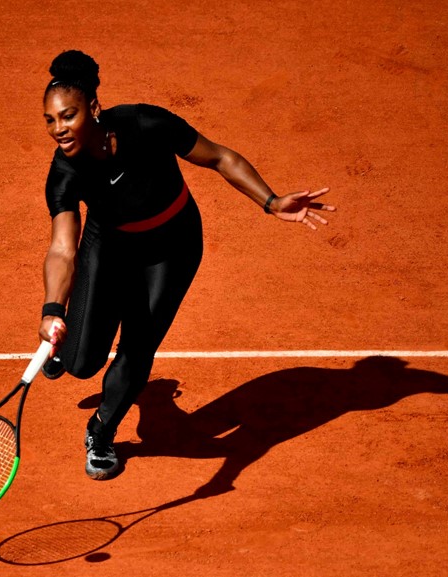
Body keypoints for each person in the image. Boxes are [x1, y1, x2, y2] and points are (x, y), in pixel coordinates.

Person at [36, 50, 335, 480]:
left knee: (138, 348)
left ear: (93, 109)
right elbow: (64, 248)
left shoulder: (145, 124)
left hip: (171, 248)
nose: (58, 129)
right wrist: (52, 310)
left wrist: (270, 201)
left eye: (67, 116)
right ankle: (72, 345)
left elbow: (218, 157)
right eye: (50, 120)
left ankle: (101, 430)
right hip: (110, 246)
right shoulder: (64, 173)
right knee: (83, 364)